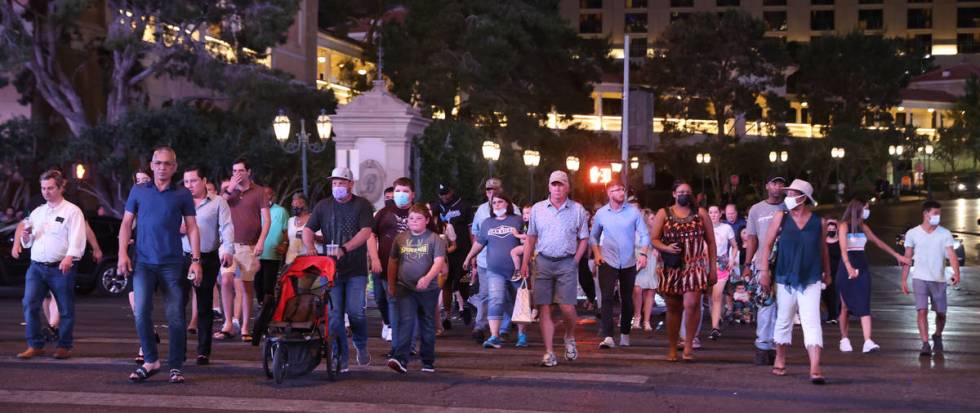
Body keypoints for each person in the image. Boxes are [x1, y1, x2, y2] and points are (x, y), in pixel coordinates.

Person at [118, 146, 201, 384]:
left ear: (174, 167)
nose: (162, 167)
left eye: (167, 163)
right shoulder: (139, 190)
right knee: (141, 311)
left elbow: (193, 228)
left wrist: (196, 261)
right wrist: (123, 253)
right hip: (143, 262)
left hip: (172, 263)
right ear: (152, 165)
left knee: (175, 316)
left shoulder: (182, 194)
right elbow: (126, 224)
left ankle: (175, 365)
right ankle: (151, 360)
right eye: (158, 163)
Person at [758, 179, 829, 385]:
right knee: (784, 318)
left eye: (792, 193)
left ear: (803, 198)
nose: (788, 197)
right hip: (784, 276)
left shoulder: (819, 222)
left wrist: (828, 273)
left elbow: (823, 249)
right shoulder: (781, 217)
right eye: (787, 193)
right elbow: (767, 244)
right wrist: (764, 271)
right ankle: (780, 357)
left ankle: (815, 367)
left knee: (812, 321)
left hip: (811, 277)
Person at [304, 167, 374, 372]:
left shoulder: (361, 205)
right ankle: (340, 357)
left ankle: (360, 345)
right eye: (334, 183)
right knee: (334, 316)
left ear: (351, 184)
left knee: (356, 314)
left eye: (341, 183)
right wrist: (310, 248)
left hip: (355, 269)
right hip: (330, 269)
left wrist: (345, 248)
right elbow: (308, 229)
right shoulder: (323, 206)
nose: (337, 187)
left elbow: (366, 231)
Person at [520, 171, 590, 367]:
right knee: (544, 307)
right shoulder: (538, 209)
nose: (557, 188)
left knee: (567, 307)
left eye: (561, 184)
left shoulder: (577, 209)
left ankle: (569, 337)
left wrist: (575, 260)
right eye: (554, 184)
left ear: (567, 187)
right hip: (543, 261)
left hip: (567, 261)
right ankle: (549, 351)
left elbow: (584, 238)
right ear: (549, 187)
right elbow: (531, 237)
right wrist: (525, 263)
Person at [16, 170, 87, 360]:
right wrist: (25, 238)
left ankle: (64, 346)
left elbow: (78, 238)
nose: (46, 192)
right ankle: (35, 344)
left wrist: (69, 257)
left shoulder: (72, 211)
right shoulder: (38, 212)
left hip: (61, 267)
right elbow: (29, 241)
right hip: (37, 267)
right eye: (43, 188)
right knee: (29, 304)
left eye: (50, 188)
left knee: (65, 308)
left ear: (59, 187)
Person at [650, 181, 716, 361]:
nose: (684, 194)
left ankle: (688, 344)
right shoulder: (664, 213)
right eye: (680, 191)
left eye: (687, 191)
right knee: (673, 307)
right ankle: (672, 346)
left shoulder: (700, 214)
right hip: (672, 267)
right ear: (674, 194)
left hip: (695, 265)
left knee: (692, 304)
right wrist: (666, 248)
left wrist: (713, 269)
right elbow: (654, 239)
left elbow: (711, 242)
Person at [836, 198, 911, 353]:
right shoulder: (844, 226)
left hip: (862, 266)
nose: (868, 210)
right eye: (866, 207)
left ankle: (868, 341)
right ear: (858, 209)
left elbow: (879, 243)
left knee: (864, 302)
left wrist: (898, 256)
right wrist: (848, 266)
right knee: (844, 305)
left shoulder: (863, 227)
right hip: (846, 266)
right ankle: (844, 338)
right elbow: (843, 249)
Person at [180, 166, 234, 365]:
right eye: (186, 182)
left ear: (203, 181)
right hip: (182, 257)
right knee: (178, 303)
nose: (189, 185)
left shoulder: (218, 202)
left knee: (204, 305)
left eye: (193, 181)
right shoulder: (179, 201)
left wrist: (227, 250)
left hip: (207, 257)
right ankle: (179, 351)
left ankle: (203, 351)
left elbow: (227, 227)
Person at [386, 203, 447, 373]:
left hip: (429, 289)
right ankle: (400, 359)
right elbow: (393, 261)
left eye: (419, 218)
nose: (414, 221)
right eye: (411, 218)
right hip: (405, 286)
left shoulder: (435, 239)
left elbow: (439, 262)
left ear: (427, 220)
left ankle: (427, 361)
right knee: (406, 320)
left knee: (427, 322)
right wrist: (391, 283)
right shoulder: (400, 238)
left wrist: (427, 278)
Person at [590, 180, 650, 349]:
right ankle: (608, 335)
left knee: (627, 299)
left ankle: (625, 333)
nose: (621, 192)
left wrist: (644, 254)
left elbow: (645, 235)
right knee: (607, 297)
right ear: (609, 193)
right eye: (617, 190)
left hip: (629, 261)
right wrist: (596, 253)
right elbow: (593, 236)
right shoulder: (601, 213)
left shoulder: (633, 212)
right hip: (607, 260)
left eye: (622, 189)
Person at [463, 194, 527, 349]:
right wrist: (469, 257)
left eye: (501, 202)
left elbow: (528, 240)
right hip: (495, 270)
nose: (497, 205)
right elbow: (479, 243)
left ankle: (521, 335)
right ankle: (494, 336)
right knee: (496, 300)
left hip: (517, 270)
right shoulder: (487, 223)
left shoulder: (517, 219)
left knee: (520, 302)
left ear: (508, 203)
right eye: (494, 203)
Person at [217, 159, 271, 343]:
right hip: (228, 245)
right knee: (226, 279)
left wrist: (261, 242)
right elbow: (219, 204)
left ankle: (246, 327)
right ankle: (228, 323)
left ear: (249, 171)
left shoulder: (259, 192)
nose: (237, 173)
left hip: (248, 245)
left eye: (240, 170)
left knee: (246, 286)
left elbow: (266, 219)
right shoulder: (228, 192)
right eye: (234, 170)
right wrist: (231, 188)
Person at [901, 200, 960, 357]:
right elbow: (907, 258)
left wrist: (956, 273)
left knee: (941, 313)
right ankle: (925, 344)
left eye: (939, 213)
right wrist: (903, 280)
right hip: (919, 278)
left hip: (939, 279)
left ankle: (938, 335)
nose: (938, 216)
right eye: (935, 213)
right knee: (922, 311)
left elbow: (952, 255)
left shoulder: (945, 233)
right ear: (925, 214)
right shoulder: (912, 233)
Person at [743, 176, 786, 366]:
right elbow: (751, 238)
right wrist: (746, 265)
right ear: (767, 186)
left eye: (781, 184)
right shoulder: (756, 209)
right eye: (774, 183)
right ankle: (762, 346)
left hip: (785, 263)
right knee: (765, 304)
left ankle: (778, 347)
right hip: (763, 263)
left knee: (784, 307)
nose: (777, 187)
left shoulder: (789, 207)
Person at [471, 177, 520, 343]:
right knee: (489, 295)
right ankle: (482, 327)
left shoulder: (516, 213)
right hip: (486, 261)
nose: (491, 193)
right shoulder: (481, 211)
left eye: (495, 190)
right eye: (488, 190)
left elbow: (524, 236)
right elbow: (476, 234)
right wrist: (472, 256)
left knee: (510, 297)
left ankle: (507, 327)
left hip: (512, 264)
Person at [368, 177, 415, 347]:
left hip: (409, 269)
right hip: (382, 265)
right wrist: (374, 258)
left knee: (398, 304)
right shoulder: (383, 213)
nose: (401, 194)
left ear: (412, 194)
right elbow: (371, 235)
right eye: (398, 191)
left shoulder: (417, 213)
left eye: (405, 191)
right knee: (381, 299)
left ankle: (402, 345)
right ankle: (389, 325)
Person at [437, 183, 473, 332]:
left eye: (446, 193)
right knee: (445, 284)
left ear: (452, 191)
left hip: (462, 251)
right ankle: (447, 316)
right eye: (441, 193)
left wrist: (472, 253)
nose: (443, 196)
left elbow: (471, 229)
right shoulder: (436, 206)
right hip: (443, 254)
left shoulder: (464, 206)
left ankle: (464, 305)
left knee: (462, 282)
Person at [707, 205, 737, 340]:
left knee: (717, 296)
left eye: (715, 212)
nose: (713, 215)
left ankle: (715, 327)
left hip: (721, 264)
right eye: (710, 212)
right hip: (706, 264)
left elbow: (735, 246)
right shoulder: (704, 227)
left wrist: (732, 259)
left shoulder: (727, 228)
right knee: (710, 296)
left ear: (720, 214)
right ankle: (715, 319)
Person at [256, 187, 288, 304]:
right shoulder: (255, 209)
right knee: (257, 283)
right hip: (256, 254)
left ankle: (269, 308)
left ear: (272, 196)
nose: (265, 197)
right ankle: (261, 306)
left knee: (268, 284)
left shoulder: (281, 211)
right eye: (262, 194)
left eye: (267, 194)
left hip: (272, 254)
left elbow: (286, 231)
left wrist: (284, 244)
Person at [632, 208, 659, 332]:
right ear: (646, 220)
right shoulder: (636, 231)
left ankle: (646, 321)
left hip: (651, 260)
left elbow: (661, 244)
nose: (655, 220)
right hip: (638, 259)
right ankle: (637, 316)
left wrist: (657, 249)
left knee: (650, 290)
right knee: (637, 288)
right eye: (652, 218)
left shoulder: (656, 232)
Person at [284, 193, 321, 265]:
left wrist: (308, 236)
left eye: (297, 203)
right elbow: (288, 239)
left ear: (304, 204)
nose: (293, 206)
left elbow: (322, 239)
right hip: (291, 261)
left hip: (309, 261)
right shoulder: (290, 220)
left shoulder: (314, 219)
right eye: (293, 203)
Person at [822, 219, 841, 324]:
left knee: (834, 293)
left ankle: (834, 315)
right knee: (825, 294)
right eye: (829, 229)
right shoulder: (823, 242)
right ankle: (830, 314)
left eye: (833, 229)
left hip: (837, 272)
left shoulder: (840, 242)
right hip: (825, 272)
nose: (831, 231)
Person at [724, 204, 746, 270]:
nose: (730, 216)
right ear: (725, 214)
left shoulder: (744, 224)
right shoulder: (722, 225)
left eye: (732, 213)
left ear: (736, 213)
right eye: (728, 214)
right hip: (724, 257)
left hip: (740, 257)